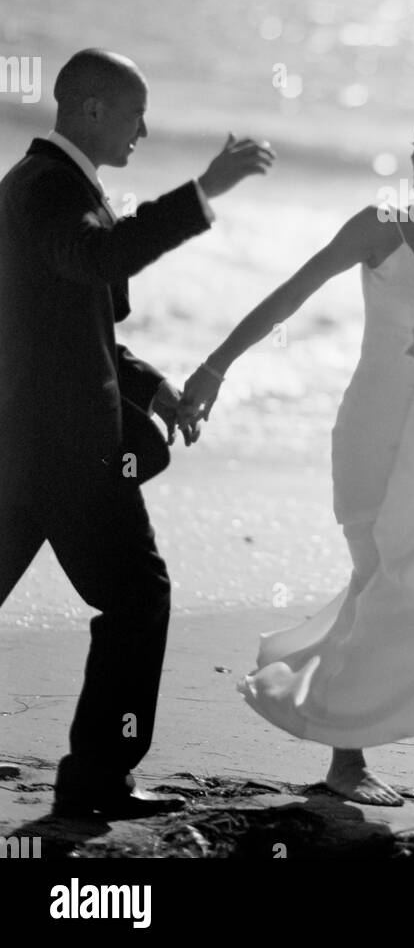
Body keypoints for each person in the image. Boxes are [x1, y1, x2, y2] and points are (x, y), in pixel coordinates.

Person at [181, 95, 414, 806]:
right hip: (374, 436)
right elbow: (290, 294)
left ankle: (382, 705)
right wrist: (214, 367)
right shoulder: (380, 229)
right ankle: (347, 759)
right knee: (379, 580)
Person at [0, 48, 275, 818]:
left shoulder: (38, 189)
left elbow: (74, 328)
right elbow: (101, 257)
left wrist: (153, 385)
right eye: (134, 114)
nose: (145, 130)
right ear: (91, 110)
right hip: (71, 452)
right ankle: (96, 781)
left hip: (23, 446)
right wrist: (204, 193)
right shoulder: (48, 191)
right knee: (138, 598)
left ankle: (97, 775)